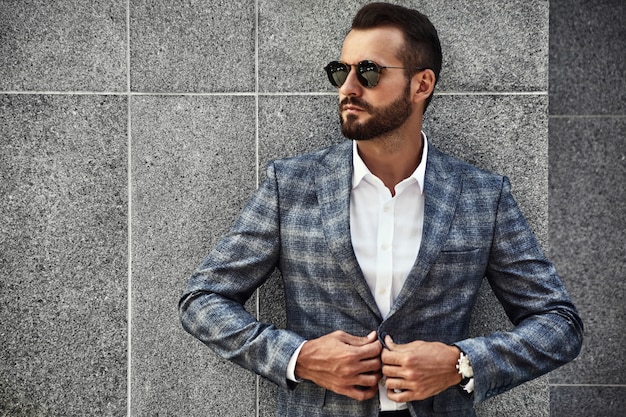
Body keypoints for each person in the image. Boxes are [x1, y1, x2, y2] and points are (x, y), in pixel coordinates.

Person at [178, 3, 583, 416]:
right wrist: (298, 357)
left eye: (368, 72)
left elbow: (559, 324)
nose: (348, 88)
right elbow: (202, 300)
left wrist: (461, 363)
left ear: (421, 84)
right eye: (341, 71)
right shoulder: (291, 185)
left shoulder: (483, 196)